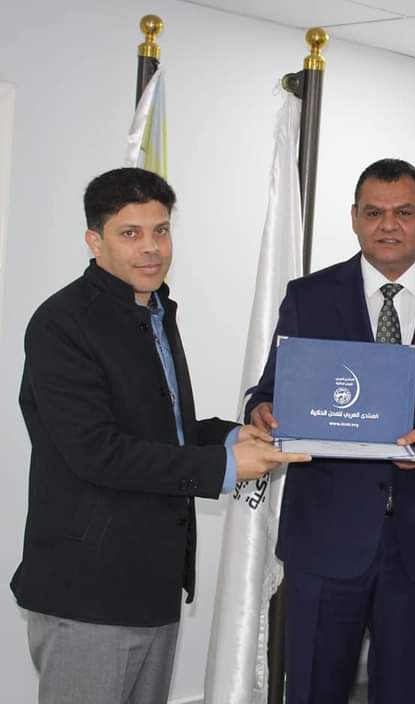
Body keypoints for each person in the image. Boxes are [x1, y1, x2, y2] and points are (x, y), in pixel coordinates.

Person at [10, 167, 309, 704]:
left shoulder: (154, 311)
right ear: (94, 241)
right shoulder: (62, 324)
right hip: (89, 592)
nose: (151, 247)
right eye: (130, 233)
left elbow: (160, 430)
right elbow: (97, 452)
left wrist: (233, 435)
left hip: (153, 585)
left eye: (161, 230)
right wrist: (224, 468)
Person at [247, 158, 415, 703]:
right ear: (354, 218)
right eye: (374, 213)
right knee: (313, 691)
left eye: (404, 212)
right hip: (325, 540)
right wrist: (263, 409)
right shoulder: (309, 296)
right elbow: (268, 390)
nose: (388, 225)